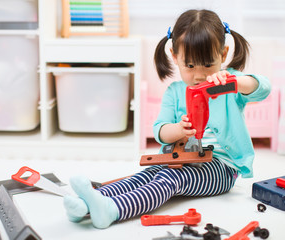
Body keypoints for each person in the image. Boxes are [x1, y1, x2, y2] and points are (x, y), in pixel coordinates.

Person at [63, 9, 271, 229]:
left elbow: (263, 88)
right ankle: (87, 203)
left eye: (208, 64)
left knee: (171, 180)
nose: (199, 75)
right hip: (179, 158)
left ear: (223, 54)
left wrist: (236, 82)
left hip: (221, 167)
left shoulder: (229, 83)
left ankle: (113, 210)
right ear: (175, 57)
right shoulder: (174, 91)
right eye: (190, 66)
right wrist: (179, 129)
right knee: (145, 175)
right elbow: (160, 131)